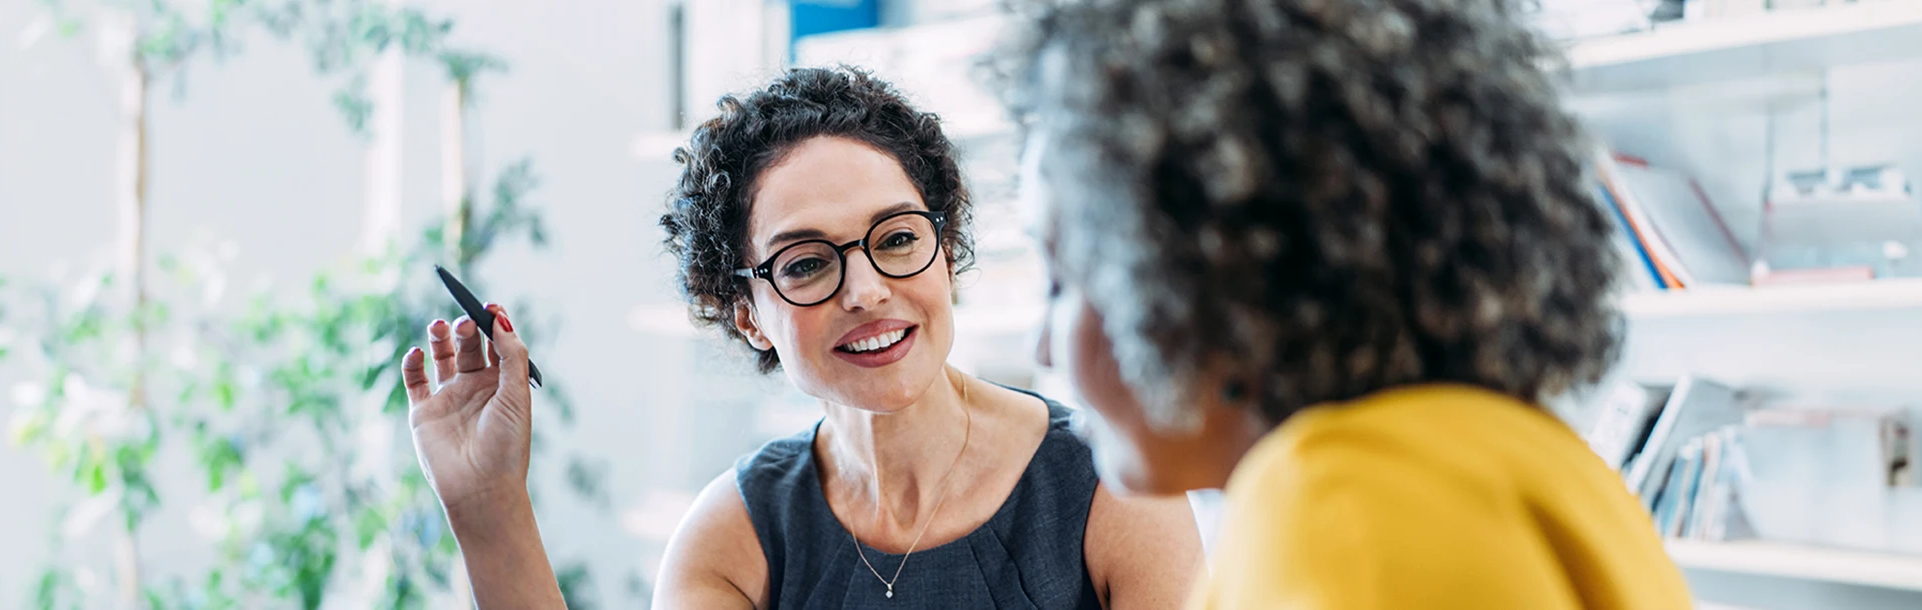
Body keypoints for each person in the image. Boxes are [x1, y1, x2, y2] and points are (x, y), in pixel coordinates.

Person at [398, 66, 1203, 609]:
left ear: (945, 252)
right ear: (745, 311)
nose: (866, 290)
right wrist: (488, 507)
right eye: (808, 263)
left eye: (894, 239)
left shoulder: (1112, 488)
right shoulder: (733, 540)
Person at [998, 0, 1696, 607]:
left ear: (1207, 272)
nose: (1043, 349)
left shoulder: (1334, 507)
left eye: (1064, 280)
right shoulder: (1541, 461)